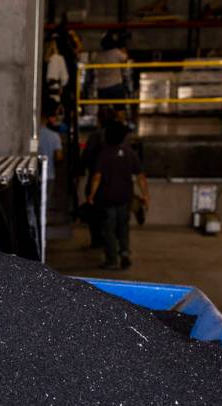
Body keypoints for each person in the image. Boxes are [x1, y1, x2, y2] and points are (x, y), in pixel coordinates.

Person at [87, 121, 149, 270]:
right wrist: (145, 195)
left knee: (108, 229)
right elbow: (140, 176)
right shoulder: (130, 153)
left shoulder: (103, 154)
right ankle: (125, 253)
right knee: (123, 227)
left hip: (107, 198)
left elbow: (97, 177)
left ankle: (112, 259)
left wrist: (91, 194)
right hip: (124, 198)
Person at [78, 107, 117, 249]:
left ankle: (97, 239)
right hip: (115, 181)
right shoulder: (119, 136)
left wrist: (80, 169)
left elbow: (86, 156)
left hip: (96, 178)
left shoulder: (95, 136)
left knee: (94, 211)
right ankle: (112, 242)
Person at [94, 32, 128, 108]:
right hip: (115, 85)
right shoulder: (116, 52)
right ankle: (120, 118)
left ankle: (105, 118)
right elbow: (125, 58)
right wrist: (122, 47)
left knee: (103, 110)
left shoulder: (98, 56)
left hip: (102, 86)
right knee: (119, 109)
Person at [39, 98, 63, 187]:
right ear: (50, 116)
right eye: (55, 115)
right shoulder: (54, 136)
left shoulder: (30, 133)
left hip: (32, 178)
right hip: (48, 176)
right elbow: (59, 157)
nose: (56, 118)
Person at [45, 38, 69, 104]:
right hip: (56, 90)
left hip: (45, 90)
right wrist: (62, 85)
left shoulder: (46, 59)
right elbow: (65, 78)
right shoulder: (59, 59)